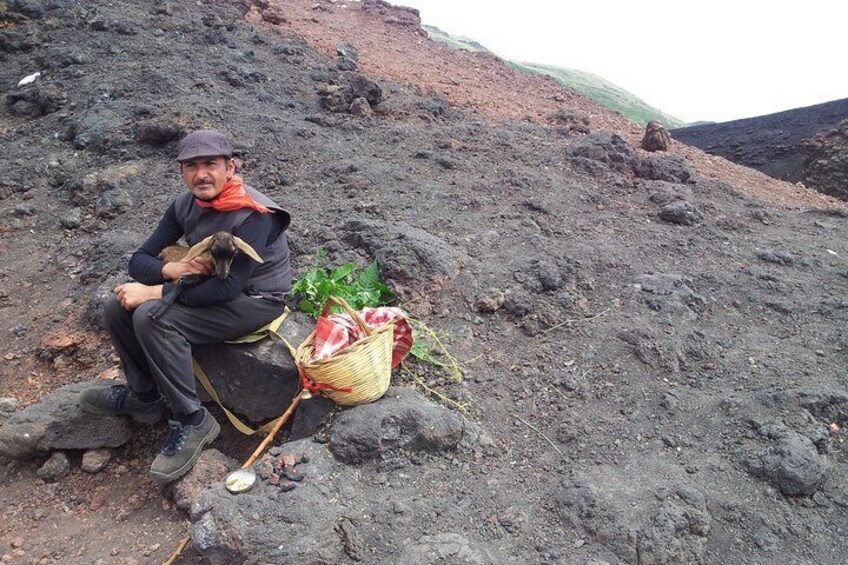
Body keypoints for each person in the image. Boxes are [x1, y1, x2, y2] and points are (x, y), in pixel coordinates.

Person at [79, 129, 292, 484]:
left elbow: (230, 287)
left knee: (153, 317)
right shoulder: (185, 205)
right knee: (116, 307)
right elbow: (139, 259)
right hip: (209, 288)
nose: (201, 174)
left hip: (253, 300)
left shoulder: (255, 214)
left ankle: (193, 420)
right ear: (182, 171)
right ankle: (144, 396)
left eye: (210, 163)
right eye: (191, 166)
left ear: (230, 167)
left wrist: (157, 293)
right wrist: (171, 270)